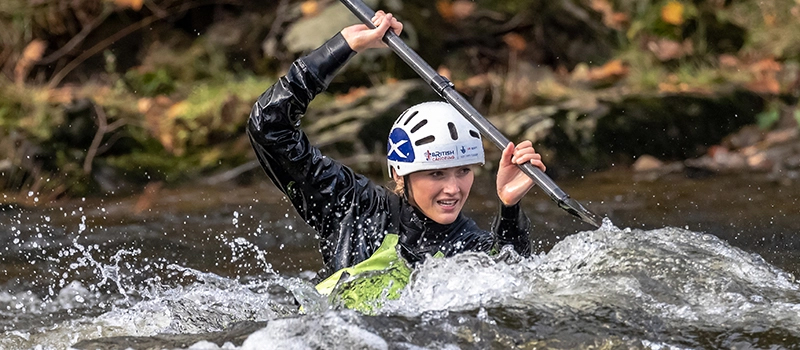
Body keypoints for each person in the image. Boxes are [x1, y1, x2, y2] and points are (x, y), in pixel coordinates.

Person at [247, 11, 546, 312]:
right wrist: (344, 46)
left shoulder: (470, 245)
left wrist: (509, 208)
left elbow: (514, 284)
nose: (453, 188)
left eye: (463, 171)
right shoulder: (353, 207)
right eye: (437, 173)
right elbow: (269, 127)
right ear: (399, 173)